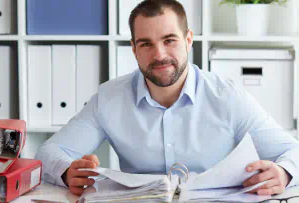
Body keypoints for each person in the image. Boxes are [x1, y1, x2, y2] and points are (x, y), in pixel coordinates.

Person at [36, 0, 299, 197]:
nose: (159, 55)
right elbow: (49, 152)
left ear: (188, 40)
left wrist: (284, 172)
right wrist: (66, 170)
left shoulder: (227, 96)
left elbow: (292, 150)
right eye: (146, 44)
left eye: (169, 40)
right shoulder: (109, 97)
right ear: (134, 49)